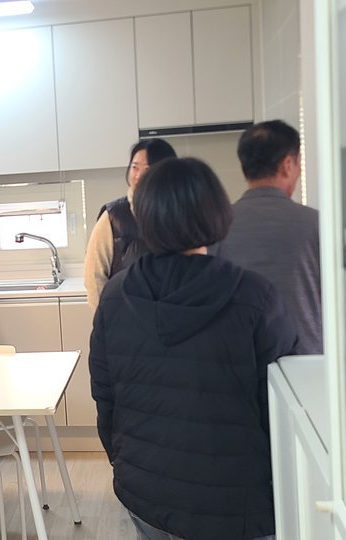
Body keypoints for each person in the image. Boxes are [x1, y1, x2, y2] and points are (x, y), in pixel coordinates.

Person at [90, 157, 299, 540]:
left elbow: (106, 399)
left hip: (145, 492)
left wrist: (125, 463)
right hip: (234, 504)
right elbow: (283, 410)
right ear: (216, 211)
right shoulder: (254, 297)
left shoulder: (116, 294)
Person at [212, 120, 322, 354]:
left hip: (238, 360)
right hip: (303, 363)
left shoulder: (217, 225)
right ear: (288, 165)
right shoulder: (316, 224)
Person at [84, 138, 178, 307]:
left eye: (147, 169)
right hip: (126, 316)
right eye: (135, 167)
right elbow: (93, 276)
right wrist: (107, 316)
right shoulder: (113, 216)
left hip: (174, 314)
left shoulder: (181, 213)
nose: (138, 175)